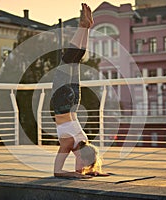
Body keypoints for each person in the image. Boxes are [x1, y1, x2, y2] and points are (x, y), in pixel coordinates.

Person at [51, 3, 109, 178]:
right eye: (85, 166)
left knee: (73, 60)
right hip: (63, 103)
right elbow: (57, 172)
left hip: (74, 102)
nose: (82, 169)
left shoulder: (85, 143)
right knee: (68, 59)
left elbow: (79, 168)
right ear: (82, 158)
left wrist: (93, 173)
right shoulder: (68, 144)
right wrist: (75, 175)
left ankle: (86, 27)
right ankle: (83, 27)